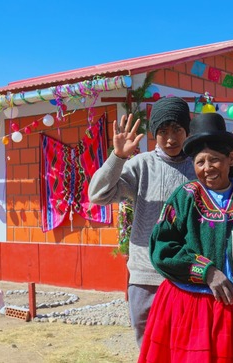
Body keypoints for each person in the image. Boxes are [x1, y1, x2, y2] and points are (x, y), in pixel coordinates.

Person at [138, 112, 233, 363]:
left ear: (230, 159)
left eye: (215, 160)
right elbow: (162, 248)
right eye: (200, 162)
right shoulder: (185, 196)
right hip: (191, 305)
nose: (207, 168)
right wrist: (207, 271)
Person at [88, 96, 197, 347]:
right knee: (148, 348)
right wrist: (117, 156)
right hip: (145, 277)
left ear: (187, 132)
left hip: (186, 276)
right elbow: (98, 195)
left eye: (177, 130)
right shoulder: (142, 165)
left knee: (185, 347)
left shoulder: (197, 168)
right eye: (162, 131)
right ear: (153, 133)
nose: (170, 138)